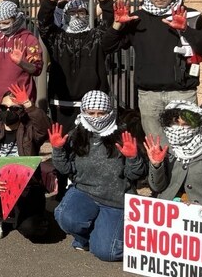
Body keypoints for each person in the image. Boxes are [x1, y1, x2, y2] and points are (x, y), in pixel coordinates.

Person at [102, 0, 202, 140]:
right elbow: (107, 46)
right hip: (149, 96)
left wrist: (186, 29)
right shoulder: (137, 18)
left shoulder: (190, 15)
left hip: (182, 94)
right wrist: (117, 24)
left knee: (187, 144)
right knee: (156, 150)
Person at [51, 91, 146, 261]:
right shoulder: (77, 135)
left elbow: (135, 175)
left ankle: (104, 233)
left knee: (106, 252)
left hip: (116, 201)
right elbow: (66, 169)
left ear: (110, 113)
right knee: (65, 218)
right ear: (84, 112)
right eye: (91, 113)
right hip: (84, 193)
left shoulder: (123, 135)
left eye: (101, 113)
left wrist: (133, 158)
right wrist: (58, 150)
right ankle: (87, 236)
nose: (96, 118)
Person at [38, 0, 115, 133]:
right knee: (63, 146)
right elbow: (44, 21)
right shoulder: (56, 38)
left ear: (88, 15)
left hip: (93, 106)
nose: (77, 15)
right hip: (62, 104)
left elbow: (109, 23)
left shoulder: (96, 36)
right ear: (65, 16)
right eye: (72, 13)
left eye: (81, 12)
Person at [0, 85, 50, 240]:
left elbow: (45, 128)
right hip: (0, 183)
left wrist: (29, 105)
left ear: (21, 111)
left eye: (14, 108)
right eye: (4, 107)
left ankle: (17, 216)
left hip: (27, 186)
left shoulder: (30, 129)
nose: (8, 112)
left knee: (34, 230)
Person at [145, 101, 202, 212]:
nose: (179, 130)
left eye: (185, 125)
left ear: (196, 124)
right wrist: (156, 166)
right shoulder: (164, 144)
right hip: (167, 208)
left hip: (200, 211)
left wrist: (201, 206)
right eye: (175, 123)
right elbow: (157, 187)